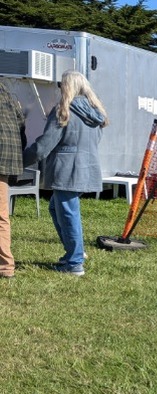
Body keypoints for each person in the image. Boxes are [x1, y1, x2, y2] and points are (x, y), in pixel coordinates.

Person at [23, 70, 108, 276]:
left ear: (67, 87)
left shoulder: (64, 110)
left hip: (67, 171)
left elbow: (44, 146)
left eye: (61, 85)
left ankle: (74, 262)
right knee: (57, 208)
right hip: (88, 169)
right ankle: (75, 252)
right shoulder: (95, 112)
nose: (59, 88)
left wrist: (21, 160)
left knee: (68, 214)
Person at [0, 81, 27, 279]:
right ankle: (6, 266)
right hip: (7, 160)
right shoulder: (9, 96)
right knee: (1, 216)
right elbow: (21, 128)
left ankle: (6, 265)